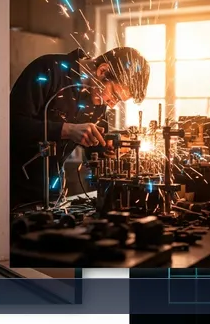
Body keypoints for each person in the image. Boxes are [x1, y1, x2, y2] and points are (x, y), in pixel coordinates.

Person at [9, 47, 150, 208]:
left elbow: (93, 149)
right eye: (115, 95)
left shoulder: (98, 98)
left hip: (53, 192)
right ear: (102, 71)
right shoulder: (48, 70)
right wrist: (67, 130)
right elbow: (12, 125)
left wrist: (110, 147)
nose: (112, 104)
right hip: (11, 190)